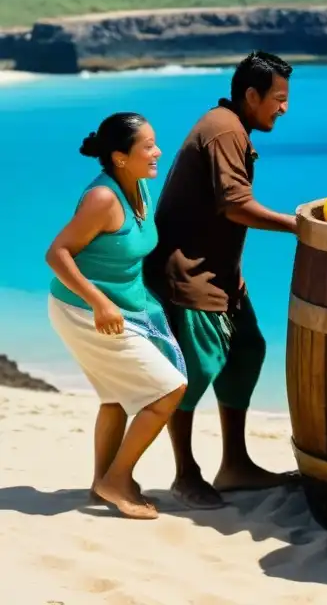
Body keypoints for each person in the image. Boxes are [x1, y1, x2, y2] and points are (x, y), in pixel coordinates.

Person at [143, 50, 298, 509]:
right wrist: (297, 226)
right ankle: (185, 474)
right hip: (190, 275)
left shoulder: (230, 126)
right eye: (279, 98)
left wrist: (234, 272)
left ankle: (235, 464)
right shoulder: (224, 131)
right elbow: (235, 205)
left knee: (247, 351)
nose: (284, 108)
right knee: (194, 372)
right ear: (251, 95)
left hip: (221, 277)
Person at [46, 113, 188, 520]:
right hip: (84, 310)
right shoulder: (103, 199)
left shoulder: (139, 184)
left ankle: (101, 482)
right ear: (120, 158)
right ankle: (118, 480)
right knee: (169, 390)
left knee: (115, 398)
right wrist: (99, 302)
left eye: (155, 142)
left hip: (123, 304)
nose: (158, 152)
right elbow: (57, 253)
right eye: (148, 146)